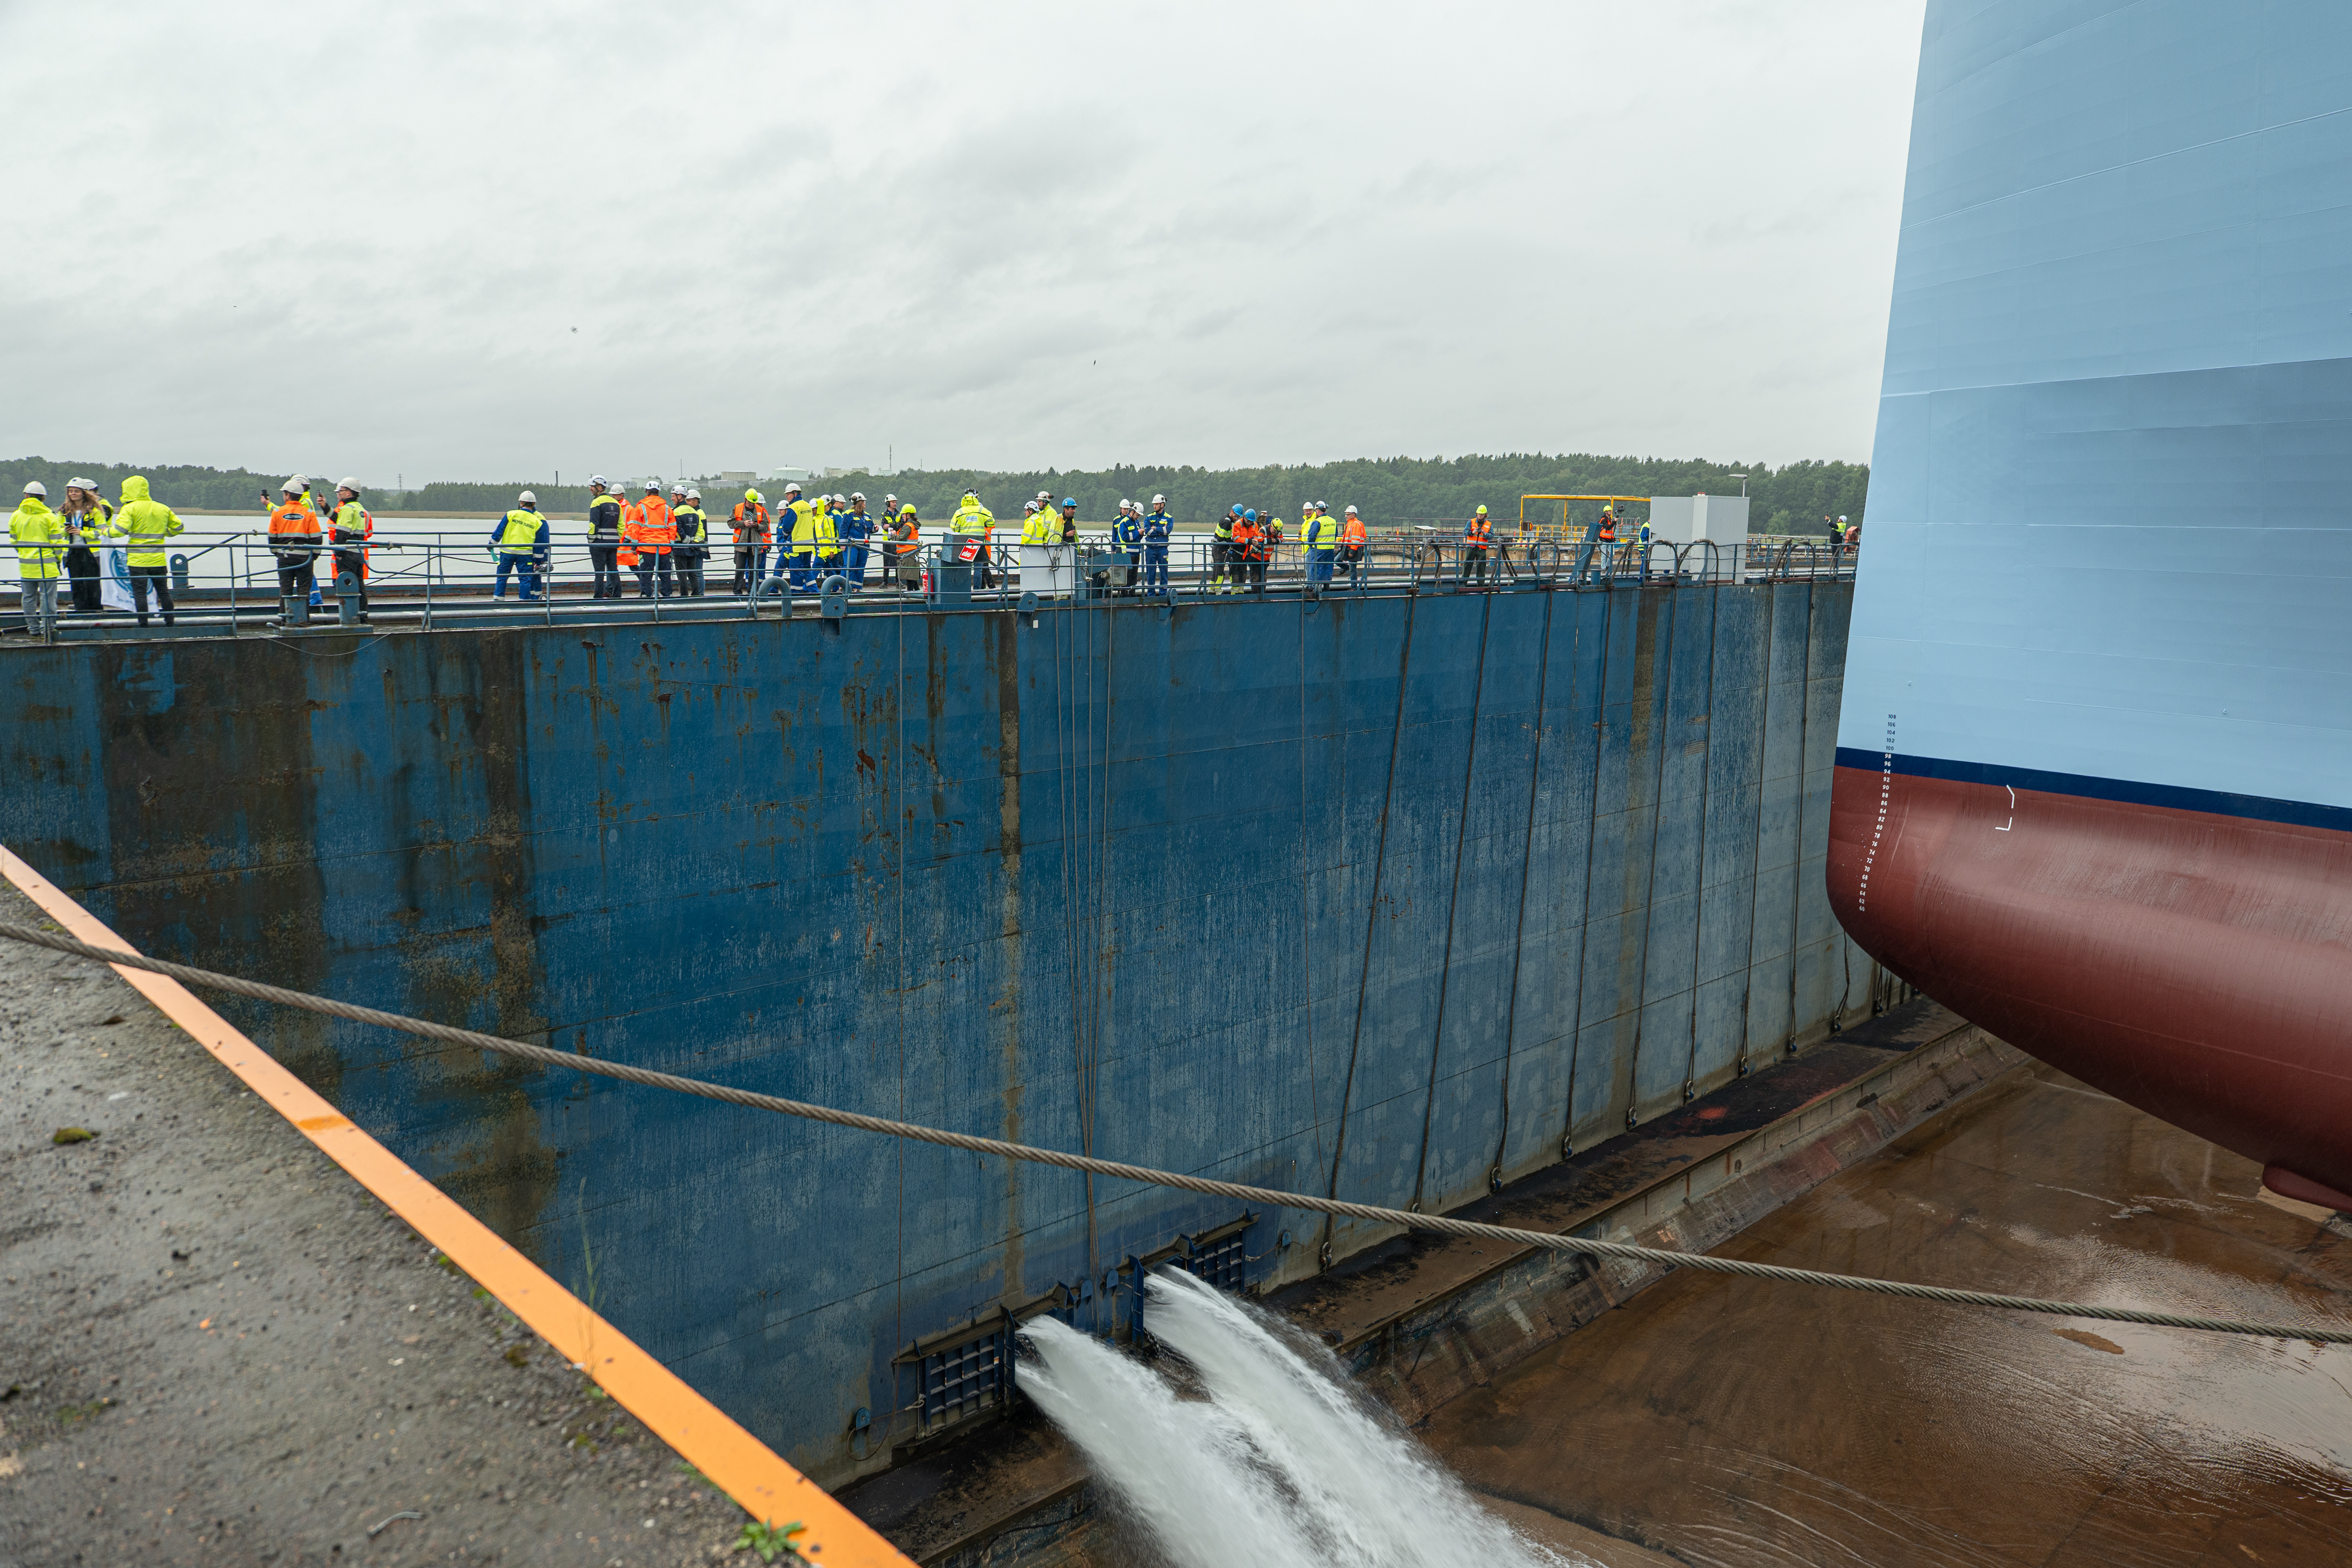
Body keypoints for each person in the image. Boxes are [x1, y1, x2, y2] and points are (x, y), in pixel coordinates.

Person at [106, 475, 184, 626]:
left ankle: (144, 624)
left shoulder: (130, 508)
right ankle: (170, 622)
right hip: (158, 560)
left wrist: (105, 532)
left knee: (140, 593)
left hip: (137, 561)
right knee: (164, 592)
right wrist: (164, 532)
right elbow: (179, 528)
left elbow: (120, 531)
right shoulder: (162, 508)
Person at [10, 481, 64, 639]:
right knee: (48, 599)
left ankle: (33, 629)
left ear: (26, 496)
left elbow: (14, 541)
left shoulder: (16, 516)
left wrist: (25, 554)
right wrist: (57, 559)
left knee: (28, 598)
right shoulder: (50, 516)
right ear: (43, 499)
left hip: (26, 566)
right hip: (47, 566)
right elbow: (57, 544)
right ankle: (47, 629)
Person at [265, 478, 322, 605]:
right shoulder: (309, 513)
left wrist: (277, 552)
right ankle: (304, 621)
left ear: (288, 495)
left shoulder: (277, 513)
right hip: (305, 560)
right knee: (304, 592)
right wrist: (314, 556)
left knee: (285, 591)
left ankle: (285, 621)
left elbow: (272, 537)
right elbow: (317, 539)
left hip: (284, 558)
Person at [326, 477, 374, 618]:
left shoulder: (347, 509)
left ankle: (349, 618)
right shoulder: (362, 511)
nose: (338, 493)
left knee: (346, 585)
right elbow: (368, 533)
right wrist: (325, 508)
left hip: (346, 555)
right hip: (359, 554)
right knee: (360, 587)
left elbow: (341, 532)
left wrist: (338, 551)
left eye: (341, 491)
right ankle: (362, 617)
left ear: (349, 493)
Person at [58, 477, 108, 614]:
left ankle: (96, 609)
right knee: (76, 582)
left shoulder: (95, 511)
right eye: (71, 492)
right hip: (72, 551)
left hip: (91, 552)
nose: (73, 494)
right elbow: (56, 531)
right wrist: (66, 531)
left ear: (84, 493)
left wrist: (82, 533)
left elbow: (102, 532)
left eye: (76, 491)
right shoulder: (64, 511)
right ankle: (80, 609)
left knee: (93, 582)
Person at [490, 492, 551, 600]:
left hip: (507, 552)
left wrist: (491, 544)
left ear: (521, 503)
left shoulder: (511, 514)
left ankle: (498, 601)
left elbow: (499, 531)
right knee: (525, 579)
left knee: (502, 577)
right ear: (534, 504)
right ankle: (524, 603)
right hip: (525, 554)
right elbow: (540, 544)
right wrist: (538, 562)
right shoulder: (537, 521)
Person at [630, 481, 675, 597]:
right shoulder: (667, 508)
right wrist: (671, 544)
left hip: (646, 547)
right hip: (664, 547)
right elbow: (673, 527)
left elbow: (635, 528)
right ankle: (667, 595)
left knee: (646, 574)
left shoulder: (640, 508)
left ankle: (647, 594)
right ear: (659, 492)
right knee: (665, 574)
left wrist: (634, 545)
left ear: (647, 492)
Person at [587, 476, 624, 599]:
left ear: (599, 487)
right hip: (613, 543)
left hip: (599, 543)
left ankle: (598, 598)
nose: (590, 489)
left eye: (592, 487)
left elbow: (594, 524)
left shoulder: (596, 502)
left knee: (599, 572)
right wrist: (616, 538)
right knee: (613, 570)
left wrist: (591, 540)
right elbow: (621, 525)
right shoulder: (616, 503)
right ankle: (617, 596)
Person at [949, 490, 996, 587]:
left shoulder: (960, 512)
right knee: (978, 569)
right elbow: (991, 523)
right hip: (979, 543)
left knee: (965, 568)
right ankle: (977, 590)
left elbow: (954, 527)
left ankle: (964, 590)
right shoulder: (982, 510)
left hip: (964, 543)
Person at [730, 488, 770, 594]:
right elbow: (731, 523)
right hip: (741, 545)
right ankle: (737, 592)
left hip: (755, 546)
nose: (752, 505)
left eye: (754, 503)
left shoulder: (761, 511)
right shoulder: (737, 508)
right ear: (745, 499)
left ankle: (753, 592)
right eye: (750, 502)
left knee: (754, 571)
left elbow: (766, 527)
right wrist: (743, 523)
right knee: (740, 570)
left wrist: (757, 526)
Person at [674, 487, 709, 596]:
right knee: (694, 573)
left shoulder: (677, 511)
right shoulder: (696, 513)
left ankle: (688, 595)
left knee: (686, 574)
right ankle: (697, 595)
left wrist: (688, 541)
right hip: (695, 547)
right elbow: (701, 532)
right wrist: (694, 542)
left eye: (689, 500)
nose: (687, 502)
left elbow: (677, 530)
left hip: (685, 547)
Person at [1302, 500, 1338, 595]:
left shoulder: (1317, 522)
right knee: (1327, 568)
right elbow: (1336, 535)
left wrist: (1311, 545)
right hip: (1330, 551)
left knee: (1315, 569)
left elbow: (1311, 537)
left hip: (1318, 551)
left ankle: (1312, 588)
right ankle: (1327, 589)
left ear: (1318, 511)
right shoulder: (1333, 521)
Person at [839, 492, 874, 588]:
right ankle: (843, 586)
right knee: (850, 564)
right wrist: (843, 544)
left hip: (864, 545)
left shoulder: (867, 516)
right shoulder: (849, 514)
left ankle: (857, 587)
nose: (865, 504)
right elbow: (843, 529)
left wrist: (875, 528)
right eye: (864, 502)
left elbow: (871, 529)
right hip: (852, 545)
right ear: (860, 503)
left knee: (860, 566)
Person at [1141, 494, 1173, 596]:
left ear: (1162, 505)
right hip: (1150, 549)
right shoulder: (1149, 517)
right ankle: (1151, 595)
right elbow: (1148, 531)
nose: (1155, 506)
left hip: (1163, 549)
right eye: (1154, 504)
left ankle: (1163, 595)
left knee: (1164, 573)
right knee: (1151, 573)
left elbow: (1167, 531)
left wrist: (1155, 528)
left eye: (1157, 504)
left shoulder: (1169, 518)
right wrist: (1160, 530)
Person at [1232, 508, 1267, 594]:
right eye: (1248, 521)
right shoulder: (1238, 524)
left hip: (1246, 553)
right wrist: (1250, 541)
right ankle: (1234, 594)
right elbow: (1236, 539)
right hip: (1237, 553)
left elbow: (1255, 535)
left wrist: (1255, 540)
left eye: (1251, 522)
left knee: (1244, 574)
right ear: (1244, 518)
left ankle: (1241, 593)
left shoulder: (1255, 525)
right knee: (1235, 574)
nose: (1249, 523)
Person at [890, 503, 923, 591]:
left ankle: (910, 594)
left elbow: (901, 539)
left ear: (908, 515)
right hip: (913, 553)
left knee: (910, 575)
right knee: (912, 574)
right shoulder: (914, 525)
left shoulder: (908, 526)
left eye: (904, 515)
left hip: (907, 553)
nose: (903, 517)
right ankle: (917, 591)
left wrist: (894, 535)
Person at [1464, 505, 1495, 587]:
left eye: (1481, 514)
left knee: (1481, 567)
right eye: (1478, 514)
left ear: (1485, 515)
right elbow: (1465, 532)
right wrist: (1472, 532)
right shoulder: (1471, 522)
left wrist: (1485, 534)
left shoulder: (1489, 525)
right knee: (1467, 565)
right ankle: (1463, 585)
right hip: (1471, 547)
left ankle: (1481, 586)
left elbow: (1491, 536)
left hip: (1481, 549)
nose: (1480, 515)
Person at [1339, 504, 1366, 585]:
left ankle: (1354, 587)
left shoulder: (1356, 524)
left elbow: (1356, 539)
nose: (1346, 516)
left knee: (1353, 569)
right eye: (1346, 514)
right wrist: (1341, 545)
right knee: (1337, 560)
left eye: (1348, 515)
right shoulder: (1350, 524)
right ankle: (1346, 568)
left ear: (1353, 515)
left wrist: (1352, 551)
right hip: (1348, 547)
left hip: (1354, 549)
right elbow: (1346, 537)